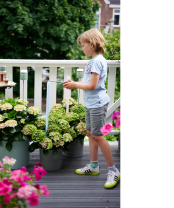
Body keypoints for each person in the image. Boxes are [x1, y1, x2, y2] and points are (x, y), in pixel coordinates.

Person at [62, 28, 120, 189]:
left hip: (97, 104)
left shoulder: (97, 61)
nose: (81, 48)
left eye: (83, 45)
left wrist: (74, 85)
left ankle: (113, 170)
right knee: (91, 133)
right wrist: (74, 83)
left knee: (98, 136)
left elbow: (93, 85)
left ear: (92, 45)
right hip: (91, 103)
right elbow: (89, 82)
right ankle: (94, 166)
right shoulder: (93, 60)